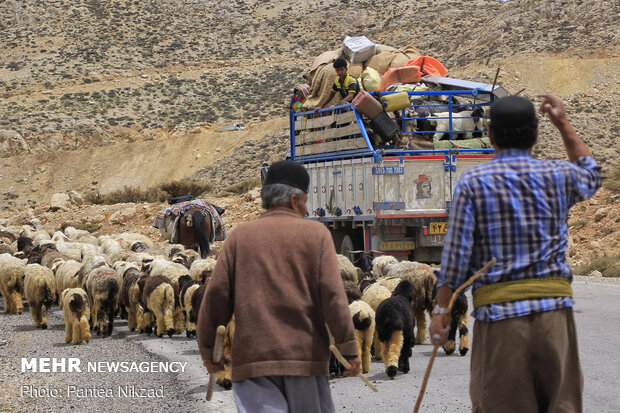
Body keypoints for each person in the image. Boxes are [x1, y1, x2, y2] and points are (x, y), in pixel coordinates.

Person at [429, 94, 601, 412]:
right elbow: (591, 172)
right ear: (535, 135)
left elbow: (454, 262)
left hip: (501, 324)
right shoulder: (558, 176)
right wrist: (562, 123)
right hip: (555, 321)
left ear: (491, 135)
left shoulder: (473, 183)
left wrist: (441, 314)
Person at [197, 160, 360, 413]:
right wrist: (348, 349)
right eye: (305, 200)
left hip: (253, 361)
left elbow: (216, 297)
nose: (306, 208)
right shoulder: (316, 236)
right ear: (294, 200)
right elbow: (333, 297)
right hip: (304, 362)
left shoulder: (240, 236)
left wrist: (209, 351)